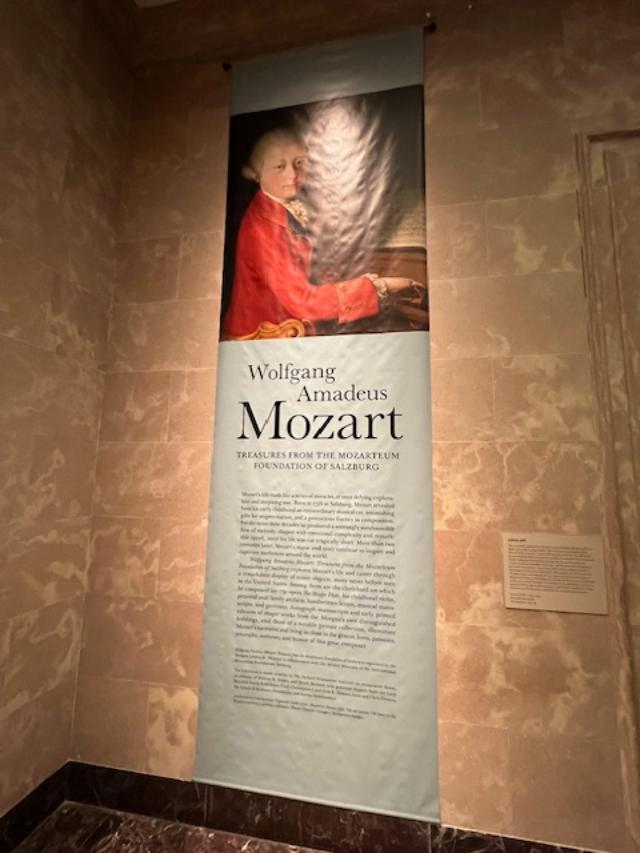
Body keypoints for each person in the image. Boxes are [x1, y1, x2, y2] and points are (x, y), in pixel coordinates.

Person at [221, 128, 420, 339]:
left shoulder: (288, 204)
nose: (292, 175)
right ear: (257, 173)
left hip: (297, 320)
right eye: (279, 166)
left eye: (299, 163)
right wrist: (383, 286)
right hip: (269, 334)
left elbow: (312, 267)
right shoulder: (262, 229)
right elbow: (303, 302)